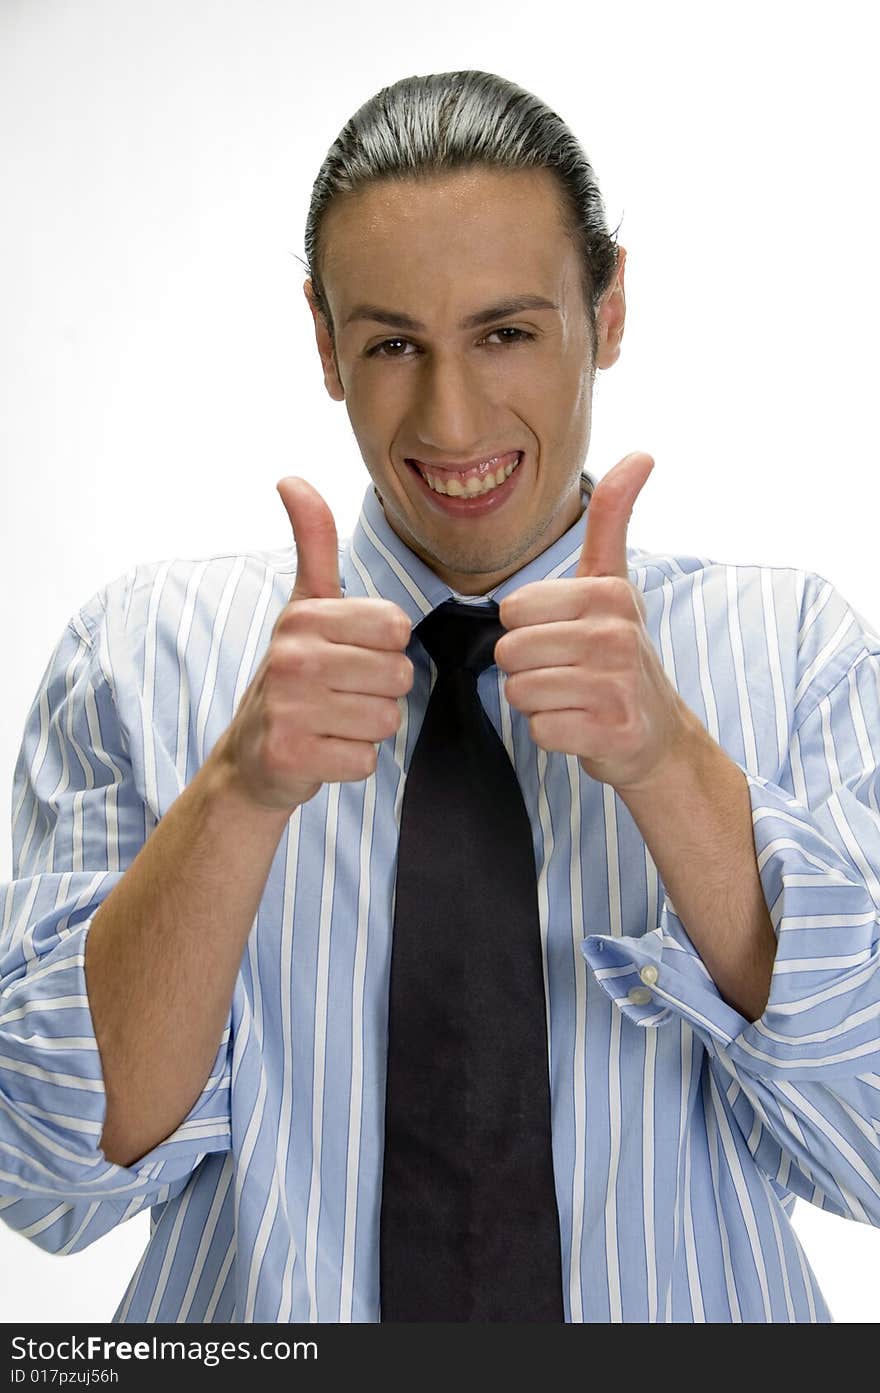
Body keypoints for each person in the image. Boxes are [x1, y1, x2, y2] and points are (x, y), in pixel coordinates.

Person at [2, 69, 880, 1325]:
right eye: (393, 344)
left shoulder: (796, 653)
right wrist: (239, 794)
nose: (451, 417)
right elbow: (44, 1174)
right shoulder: (146, 656)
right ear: (324, 342)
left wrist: (672, 766)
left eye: (506, 333)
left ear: (609, 306)